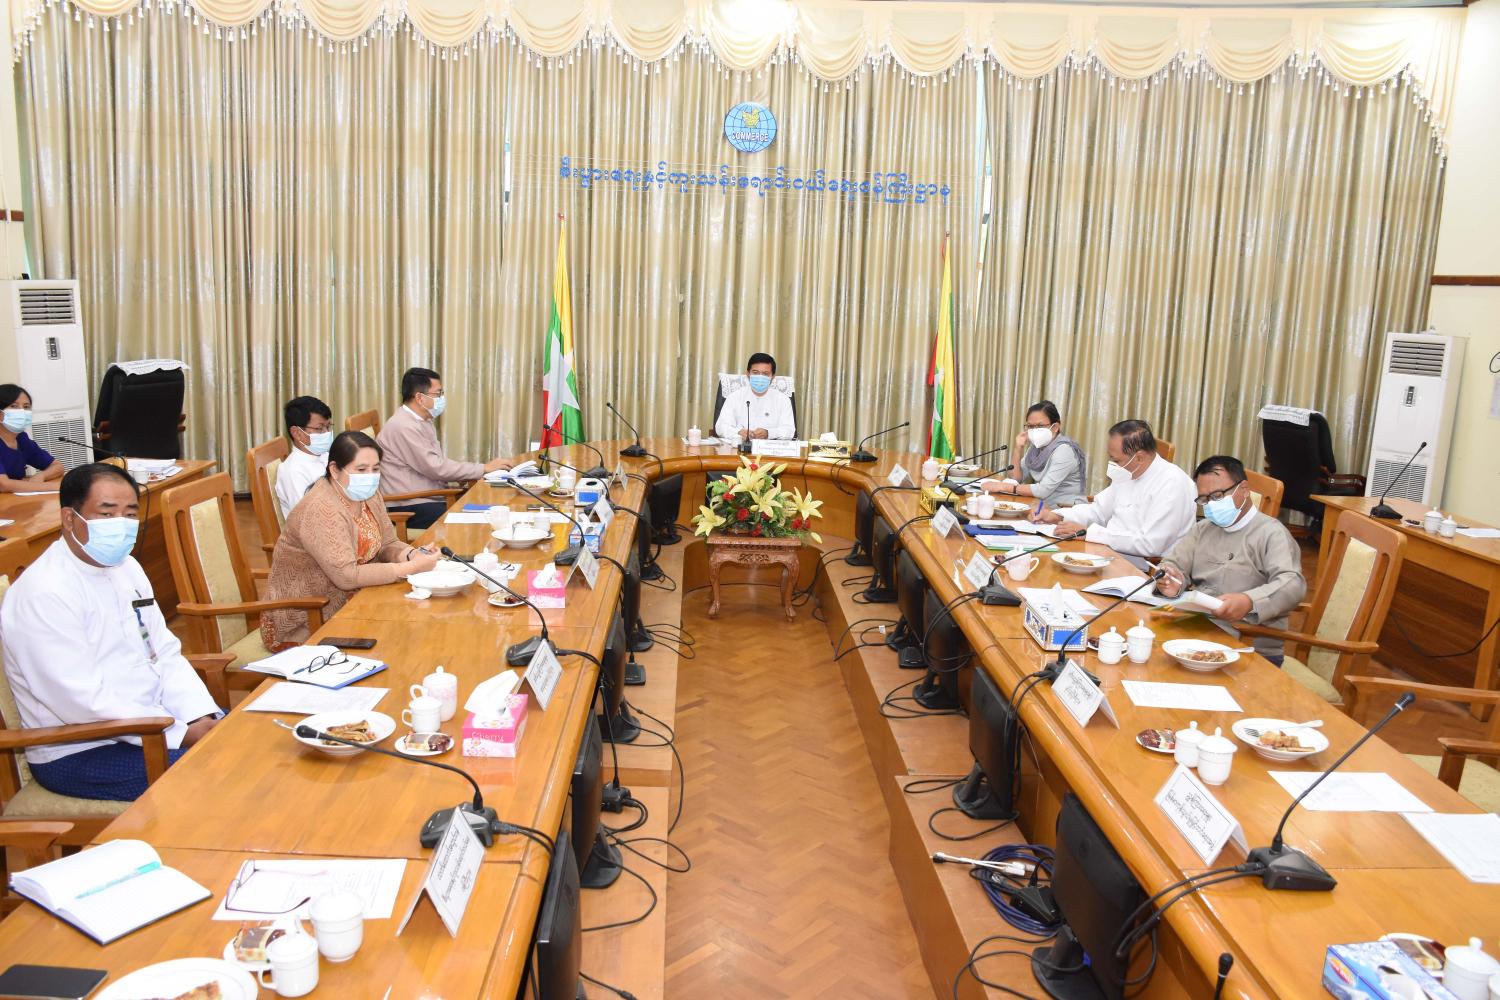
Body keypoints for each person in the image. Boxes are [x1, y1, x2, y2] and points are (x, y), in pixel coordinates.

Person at [0, 464, 221, 800]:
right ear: (69, 518)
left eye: (129, 514)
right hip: (81, 748)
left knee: (255, 740)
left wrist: (198, 716)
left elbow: (163, 652)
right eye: (106, 514)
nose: (121, 524)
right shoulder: (44, 592)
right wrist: (179, 733)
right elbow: (80, 702)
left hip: (154, 721)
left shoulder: (127, 567)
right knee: (221, 774)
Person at [261, 431, 440, 648]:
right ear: (335, 470)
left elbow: (388, 543)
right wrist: (409, 568)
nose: (370, 476)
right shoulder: (322, 509)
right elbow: (346, 576)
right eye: (361, 470)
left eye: (376, 469)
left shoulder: (367, 494)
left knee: (421, 626)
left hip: (359, 599)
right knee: (403, 639)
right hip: (308, 618)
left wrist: (412, 555)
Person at [1156, 456, 1306, 665]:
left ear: (1243, 489)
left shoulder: (1271, 533)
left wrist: (1249, 601)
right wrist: (1171, 579)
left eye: (1217, 496)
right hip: (1198, 631)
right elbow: (1174, 563)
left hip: (1249, 646)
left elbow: (1292, 584)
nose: (1210, 505)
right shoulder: (1203, 529)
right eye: (1204, 500)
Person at [1034, 419, 1195, 569]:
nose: (1113, 464)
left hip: (1140, 569)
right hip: (1105, 553)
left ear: (1139, 457)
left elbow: (1150, 544)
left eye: (1117, 460)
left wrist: (1091, 533)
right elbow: (1099, 510)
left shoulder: (1173, 484)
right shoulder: (1129, 471)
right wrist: (1057, 516)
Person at [377, 367, 512, 530]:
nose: (442, 398)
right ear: (420, 398)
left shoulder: (421, 420)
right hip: (410, 505)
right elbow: (435, 467)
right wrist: (483, 469)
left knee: (487, 504)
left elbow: (435, 462)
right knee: (477, 521)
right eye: (438, 394)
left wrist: (468, 474)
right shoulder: (403, 426)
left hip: (429, 495)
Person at [984, 400, 1088, 506]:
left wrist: (1003, 487)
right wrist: (1018, 448)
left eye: (1040, 426)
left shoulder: (1065, 450)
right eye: (1030, 426)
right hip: (1042, 506)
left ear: (1055, 427)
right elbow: (1016, 478)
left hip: (1066, 509)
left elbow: (1042, 490)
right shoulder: (1035, 449)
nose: (1034, 430)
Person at [275, 395, 334, 520]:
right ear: (297, 433)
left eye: (328, 426)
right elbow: (308, 519)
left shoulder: (325, 455)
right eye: (319, 428)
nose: (327, 433)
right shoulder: (293, 472)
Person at [714, 352, 796, 441]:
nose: (760, 377)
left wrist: (769, 433)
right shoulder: (734, 397)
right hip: (740, 447)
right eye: (755, 373)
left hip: (770, 448)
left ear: (772, 377)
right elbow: (721, 427)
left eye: (765, 374)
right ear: (748, 374)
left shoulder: (782, 400)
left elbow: (789, 430)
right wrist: (738, 432)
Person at [0, 384, 64, 493]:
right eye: (14, 406)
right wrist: (56, 487)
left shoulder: (21, 439)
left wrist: (41, 476)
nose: (22, 412)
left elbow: (58, 466)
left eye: (26, 407)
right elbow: (3, 484)